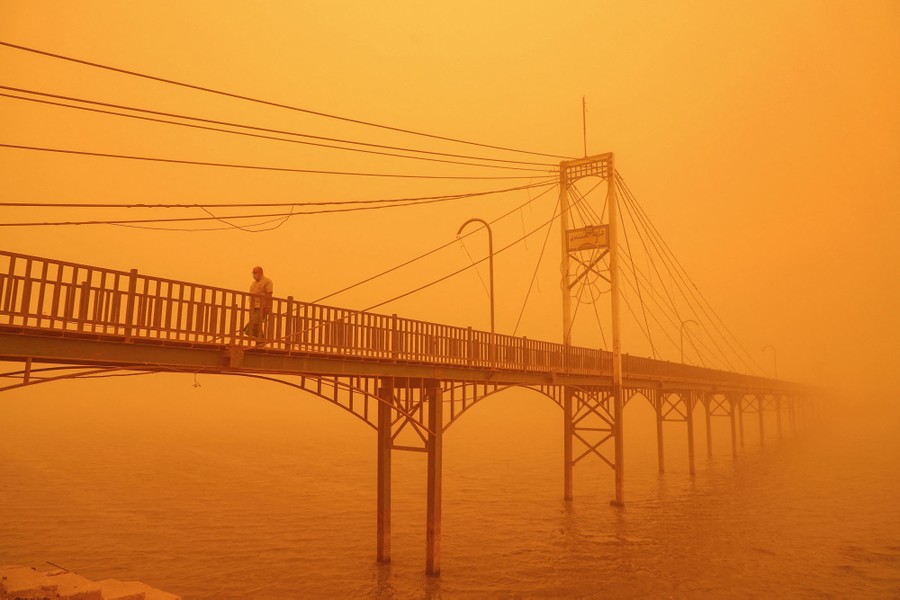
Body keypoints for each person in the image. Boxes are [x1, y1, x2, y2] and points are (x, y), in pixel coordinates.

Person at [244, 265, 273, 341]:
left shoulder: (267, 281)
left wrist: (267, 307)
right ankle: (260, 341)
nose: (254, 275)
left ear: (260, 272)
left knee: (255, 323)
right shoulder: (253, 283)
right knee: (256, 325)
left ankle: (260, 339)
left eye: (255, 273)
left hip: (262, 306)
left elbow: (269, 295)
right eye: (253, 273)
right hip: (253, 306)